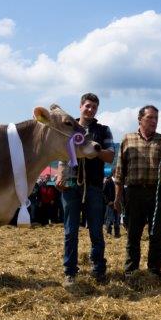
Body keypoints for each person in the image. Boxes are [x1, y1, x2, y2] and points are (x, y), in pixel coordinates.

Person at [56, 93, 114, 286]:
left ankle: (98, 269)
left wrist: (93, 149)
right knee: (70, 231)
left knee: (96, 230)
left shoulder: (103, 130)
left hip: (94, 186)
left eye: (94, 107)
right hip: (71, 184)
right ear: (80, 106)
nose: (90, 109)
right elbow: (61, 154)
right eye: (87, 106)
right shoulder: (69, 127)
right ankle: (70, 272)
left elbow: (110, 156)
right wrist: (60, 174)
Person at [113, 105, 161, 278]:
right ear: (140, 119)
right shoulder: (127, 139)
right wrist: (117, 198)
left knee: (157, 235)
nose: (154, 121)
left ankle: (154, 271)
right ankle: (131, 271)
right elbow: (119, 172)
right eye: (150, 117)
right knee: (133, 234)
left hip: (158, 193)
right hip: (134, 193)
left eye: (156, 118)